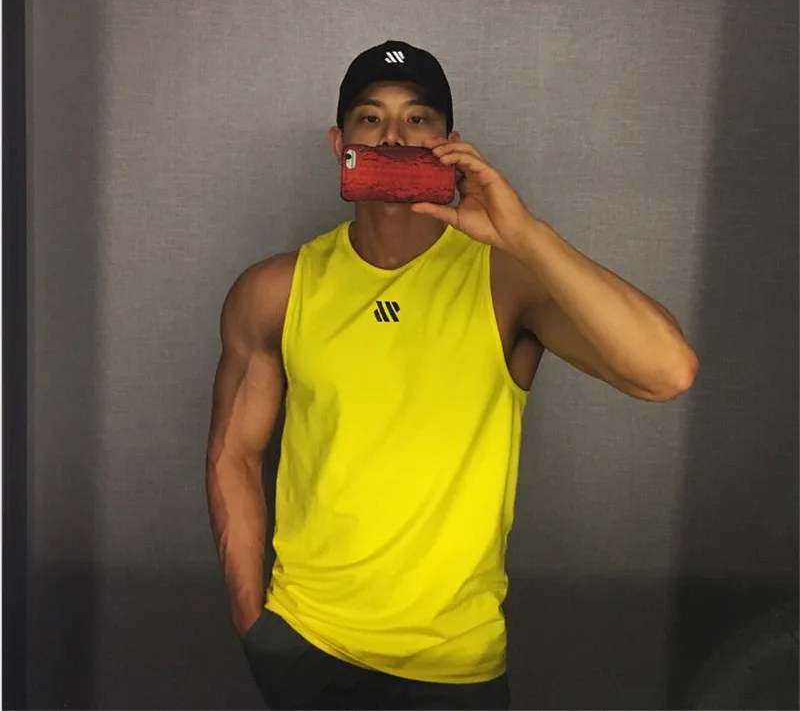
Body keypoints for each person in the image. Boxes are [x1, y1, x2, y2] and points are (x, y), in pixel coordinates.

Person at [205, 40, 699, 710]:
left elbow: (667, 370)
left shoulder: (507, 282)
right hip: (307, 645)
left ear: (450, 145)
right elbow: (234, 452)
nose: (393, 136)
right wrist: (253, 624)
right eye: (370, 118)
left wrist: (525, 234)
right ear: (339, 144)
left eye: (418, 119)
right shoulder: (276, 290)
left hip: (454, 668)